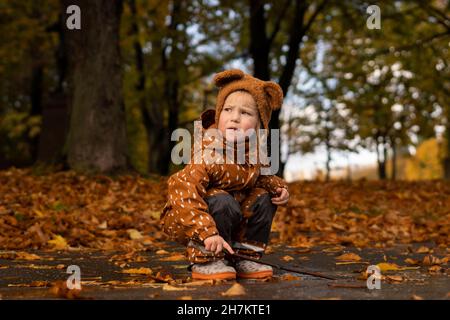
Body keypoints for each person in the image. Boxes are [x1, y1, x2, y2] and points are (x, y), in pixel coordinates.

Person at [161, 69, 289, 280]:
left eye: (246, 113)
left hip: (233, 215)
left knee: (264, 197)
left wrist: (280, 188)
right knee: (222, 200)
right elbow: (182, 191)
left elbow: (263, 178)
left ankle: (245, 256)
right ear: (219, 115)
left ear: (258, 126)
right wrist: (206, 231)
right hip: (193, 217)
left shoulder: (254, 154)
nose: (235, 118)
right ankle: (207, 259)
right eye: (228, 110)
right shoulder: (209, 154)